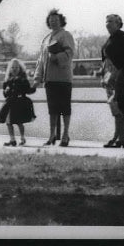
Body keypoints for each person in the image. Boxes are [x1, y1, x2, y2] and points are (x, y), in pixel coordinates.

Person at [33, 9, 75, 146]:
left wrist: (57, 57)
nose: (53, 22)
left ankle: (65, 135)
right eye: (51, 20)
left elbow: (70, 53)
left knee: (65, 107)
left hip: (63, 78)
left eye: (56, 20)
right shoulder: (45, 39)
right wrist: (37, 78)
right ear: (48, 22)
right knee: (52, 109)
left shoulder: (66, 35)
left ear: (61, 21)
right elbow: (41, 60)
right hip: (49, 79)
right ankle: (52, 136)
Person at [100, 13, 124, 148]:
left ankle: (120, 137)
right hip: (110, 77)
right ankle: (119, 137)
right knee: (115, 107)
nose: (108, 24)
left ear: (118, 24)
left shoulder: (123, 37)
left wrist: (123, 75)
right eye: (106, 21)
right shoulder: (110, 39)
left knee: (119, 106)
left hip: (120, 76)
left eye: (111, 21)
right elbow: (106, 59)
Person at [0, 58, 36, 146]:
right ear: (10, 69)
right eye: (12, 68)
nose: (14, 69)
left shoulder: (23, 80)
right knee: (9, 122)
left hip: (20, 102)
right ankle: (12, 139)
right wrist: (6, 91)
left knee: (19, 122)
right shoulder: (7, 80)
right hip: (10, 103)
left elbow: (28, 90)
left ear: (20, 68)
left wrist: (34, 87)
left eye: (16, 67)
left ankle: (22, 138)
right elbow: (5, 94)